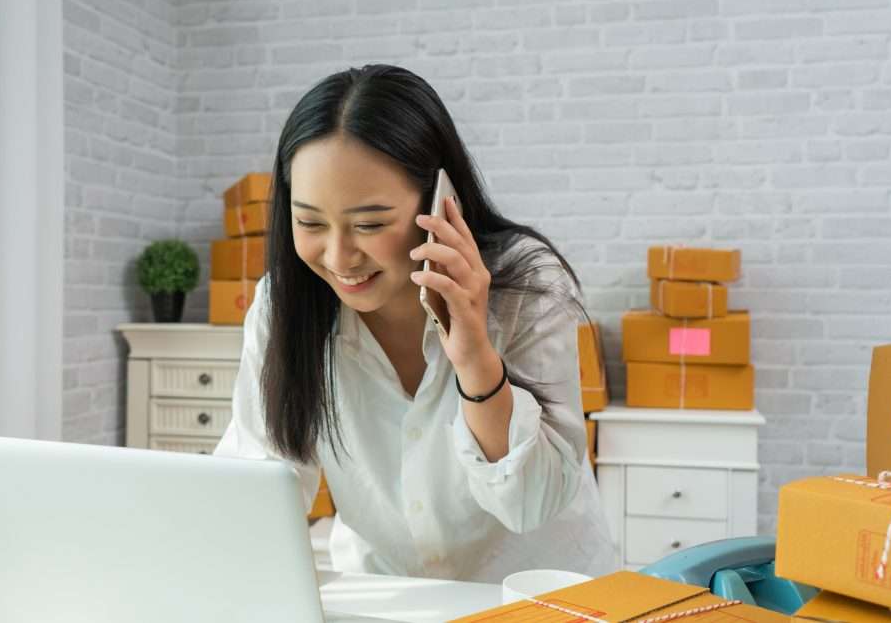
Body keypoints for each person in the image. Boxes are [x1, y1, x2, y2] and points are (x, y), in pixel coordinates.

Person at [213, 64, 620, 583]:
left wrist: (474, 356)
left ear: (440, 202)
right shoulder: (284, 305)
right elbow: (262, 479)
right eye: (309, 222)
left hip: (537, 594)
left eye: (370, 224)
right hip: (388, 592)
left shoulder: (528, 289)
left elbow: (530, 502)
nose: (339, 256)